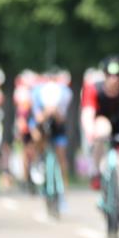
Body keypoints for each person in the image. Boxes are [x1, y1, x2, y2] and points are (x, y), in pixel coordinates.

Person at [80, 55, 119, 229]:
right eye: (109, 75)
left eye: (118, 75)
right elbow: (87, 114)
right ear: (104, 75)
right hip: (102, 121)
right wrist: (90, 131)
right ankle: (95, 171)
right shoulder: (93, 88)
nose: (114, 79)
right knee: (101, 131)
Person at [30, 70, 73, 198]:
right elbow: (38, 118)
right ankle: (39, 159)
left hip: (57, 126)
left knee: (61, 154)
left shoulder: (64, 93)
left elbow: (62, 119)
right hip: (42, 126)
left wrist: (54, 112)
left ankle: (64, 184)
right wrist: (47, 112)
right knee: (37, 137)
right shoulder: (37, 93)